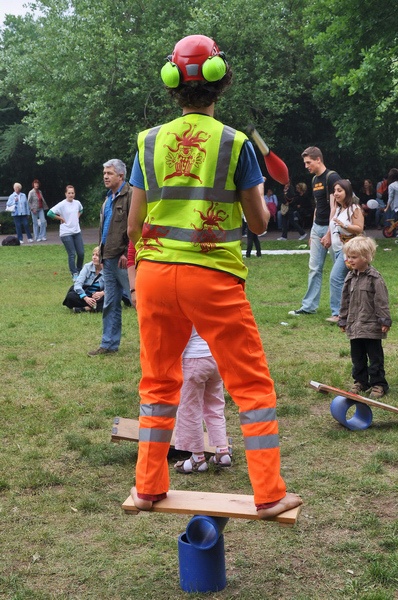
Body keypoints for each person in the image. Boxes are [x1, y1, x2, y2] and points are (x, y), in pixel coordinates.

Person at [127, 34, 302, 518]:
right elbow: (260, 224)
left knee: (158, 382)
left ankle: (148, 486)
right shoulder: (236, 143)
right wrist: (262, 194)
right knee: (250, 386)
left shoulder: (147, 141)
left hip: (157, 272)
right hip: (213, 276)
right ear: (219, 79)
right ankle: (269, 494)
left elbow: (134, 224)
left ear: (171, 81)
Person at [88, 159, 132, 356]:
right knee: (110, 302)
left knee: (138, 300)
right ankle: (108, 344)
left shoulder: (131, 195)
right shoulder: (108, 199)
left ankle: (154, 346)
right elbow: (106, 229)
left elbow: (138, 226)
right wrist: (101, 251)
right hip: (109, 258)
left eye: (110, 173)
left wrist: (128, 252)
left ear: (121, 176)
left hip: (124, 259)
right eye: (104, 173)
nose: (105, 176)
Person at [288, 147, 340, 315]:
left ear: (318, 160)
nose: (306, 166)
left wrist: (329, 233)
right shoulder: (313, 180)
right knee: (314, 268)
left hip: (332, 228)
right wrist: (313, 232)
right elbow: (317, 206)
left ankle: (338, 311)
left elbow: (335, 208)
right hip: (317, 228)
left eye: (308, 162)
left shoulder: (332, 178)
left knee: (337, 271)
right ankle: (308, 307)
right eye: (305, 163)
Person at [338, 237, 391, 399]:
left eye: (354, 257)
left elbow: (382, 301)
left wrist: (384, 319)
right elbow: (345, 299)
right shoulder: (350, 277)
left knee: (375, 357)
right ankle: (361, 381)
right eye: (348, 256)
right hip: (355, 325)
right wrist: (343, 319)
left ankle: (378, 384)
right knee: (357, 356)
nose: (349, 260)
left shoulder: (375, 278)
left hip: (371, 325)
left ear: (366, 257)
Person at [173, 327, 231, 473]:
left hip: (193, 358)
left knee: (189, 409)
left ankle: (197, 459)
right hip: (215, 357)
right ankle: (222, 451)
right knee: (215, 406)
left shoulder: (183, 304)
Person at [327, 180, 364, 323]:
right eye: (335, 190)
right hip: (337, 250)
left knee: (335, 278)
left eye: (339, 190)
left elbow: (359, 228)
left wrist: (345, 226)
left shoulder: (354, 208)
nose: (336, 193)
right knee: (351, 281)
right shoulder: (338, 209)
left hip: (348, 251)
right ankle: (352, 311)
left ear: (347, 192)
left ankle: (338, 314)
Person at [47, 185, 84, 280]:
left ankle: (79, 270)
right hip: (66, 232)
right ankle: (74, 273)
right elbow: (49, 213)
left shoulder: (77, 203)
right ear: (65, 194)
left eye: (72, 193)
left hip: (76, 231)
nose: (71, 195)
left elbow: (81, 209)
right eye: (69, 193)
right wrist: (60, 218)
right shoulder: (62, 204)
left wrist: (77, 216)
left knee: (81, 253)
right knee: (72, 254)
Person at [62, 246, 104, 313]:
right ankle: (94, 307)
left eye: (97, 255)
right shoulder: (87, 266)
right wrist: (86, 298)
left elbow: (113, 286)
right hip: (85, 294)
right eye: (93, 255)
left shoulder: (109, 270)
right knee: (71, 296)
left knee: (112, 299)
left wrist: (102, 293)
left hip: (98, 296)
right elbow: (78, 284)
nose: (94, 257)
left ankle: (85, 309)